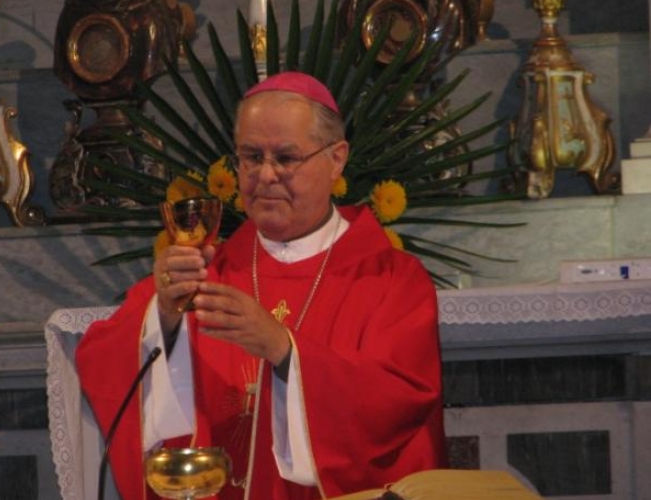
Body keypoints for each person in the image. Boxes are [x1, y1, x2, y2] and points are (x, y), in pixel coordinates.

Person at [76, 71, 447, 500]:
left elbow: (398, 403)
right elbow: (102, 360)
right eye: (251, 157)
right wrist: (163, 317)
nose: (265, 175)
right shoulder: (205, 273)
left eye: (286, 158)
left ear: (336, 159)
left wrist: (284, 350)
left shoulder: (392, 280)